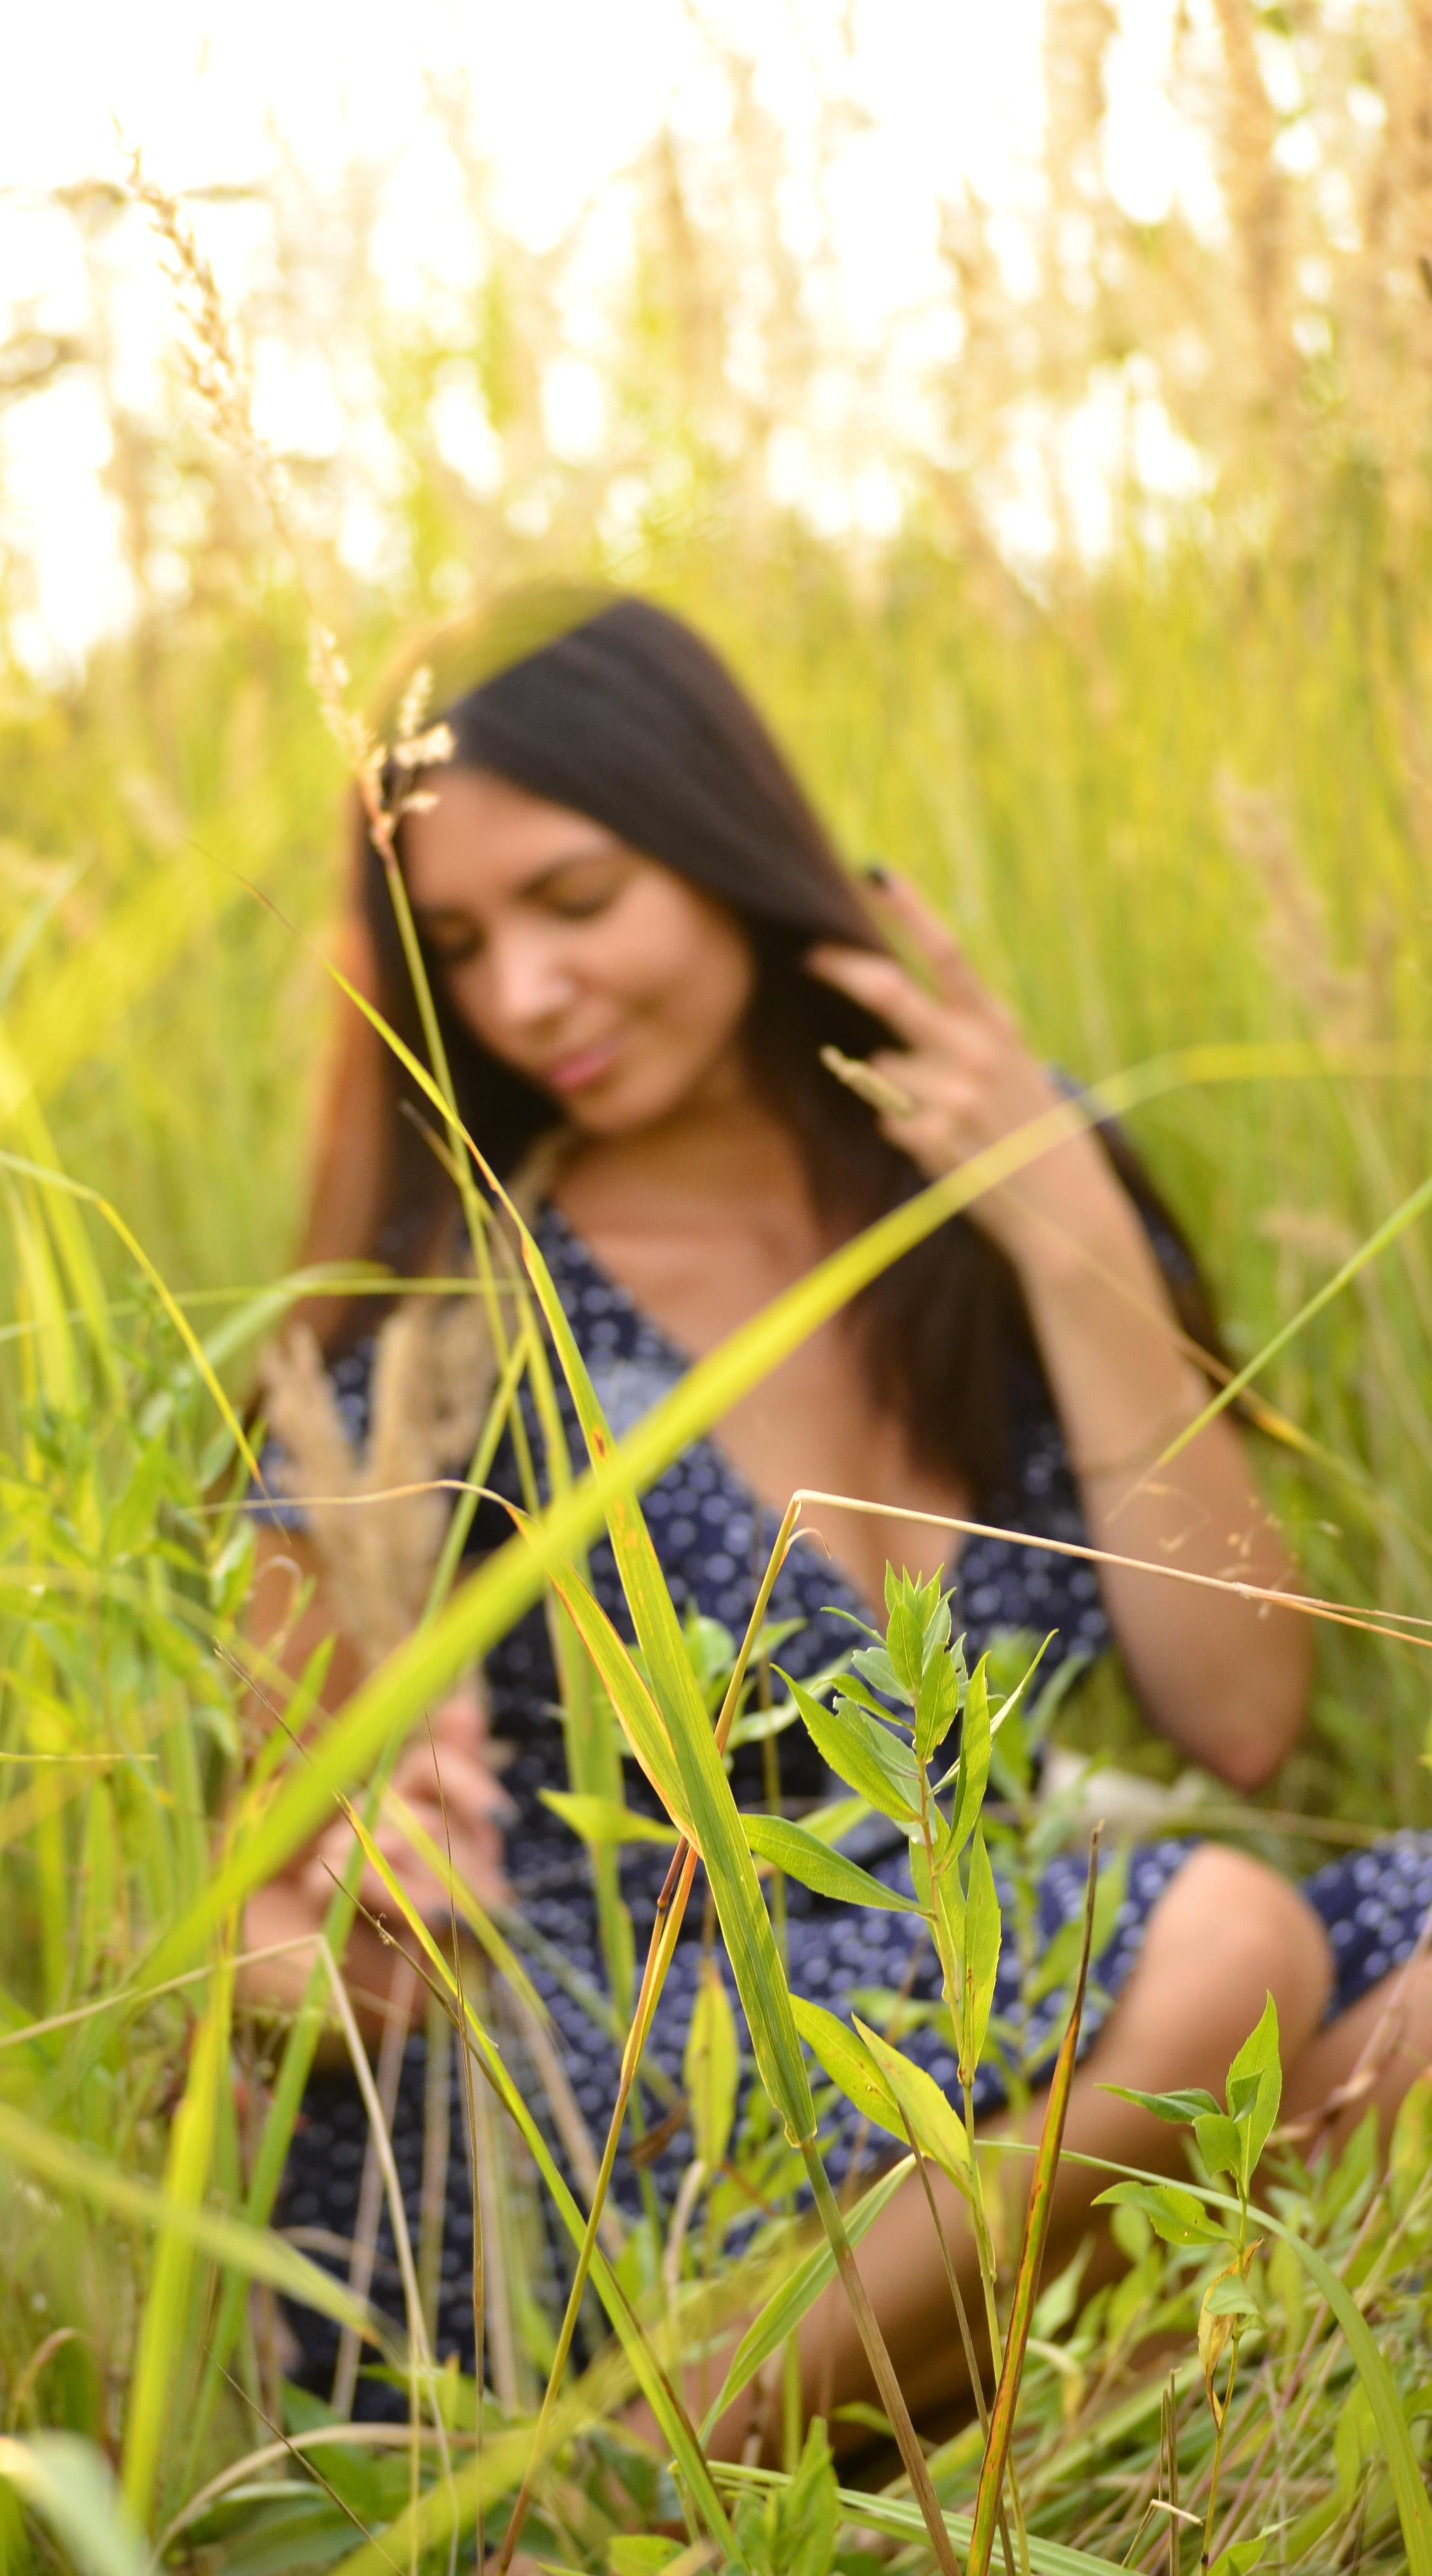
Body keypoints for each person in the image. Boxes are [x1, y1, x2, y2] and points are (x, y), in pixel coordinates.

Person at [240, 588, 1431, 2441]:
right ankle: (601, 2497)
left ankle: (981, 2430)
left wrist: (1070, 1227)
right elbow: (262, 1916)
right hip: (627, 2086)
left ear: (720, 848)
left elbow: (1242, 1708)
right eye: (460, 942)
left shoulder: (1008, 1195)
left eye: (575, 899)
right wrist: (352, 1908)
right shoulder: (445, 1320)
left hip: (986, 2014)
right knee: (1223, 1947)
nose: (522, 993)